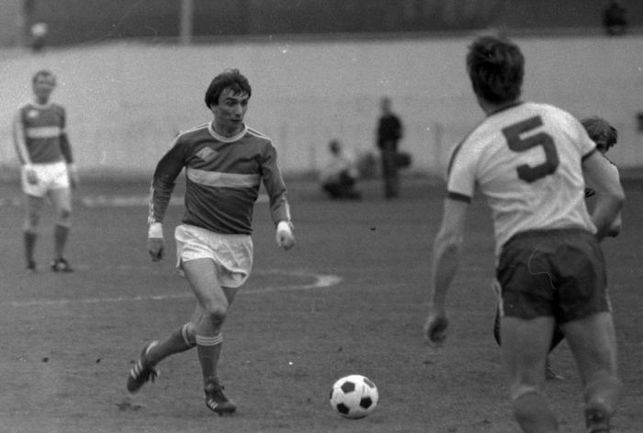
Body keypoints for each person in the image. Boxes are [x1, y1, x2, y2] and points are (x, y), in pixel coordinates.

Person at [423, 35, 625, 433]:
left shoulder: (472, 146)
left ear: (476, 86)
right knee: (602, 376)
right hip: (578, 246)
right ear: (520, 76)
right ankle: (599, 407)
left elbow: (450, 240)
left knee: (526, 389)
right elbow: (614, 193)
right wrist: (588, 237)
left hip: (524, 257)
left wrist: (438, 307)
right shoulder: (562, 120)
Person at [125, 69, 295, 415]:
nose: (238, 110)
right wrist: (155, 228)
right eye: (230, 103)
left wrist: (283, 223)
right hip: (196, 238)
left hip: (238, 245)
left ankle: (151, 356)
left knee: (202, 326)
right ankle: (212, 388)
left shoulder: (261, 147)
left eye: (243, 103)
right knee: (216, 310)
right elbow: (162, 181)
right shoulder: (190, 141)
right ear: (213, 105)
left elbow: (278, 193)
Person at [491, 115, 623, 382]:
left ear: (608, 148)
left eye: (600, 146)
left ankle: (539, 362)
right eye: (588, 143)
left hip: (576, 254)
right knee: (503, 328)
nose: (594, 151)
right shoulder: (555, 166)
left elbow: (616, 225)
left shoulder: (608, 173)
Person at [12, 69, 79, 273]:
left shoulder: (59, 110)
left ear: (53, 86)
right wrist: (27, 166)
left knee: (65, 211)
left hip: (57, 168)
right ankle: (30, 261)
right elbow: (19, 141)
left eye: (48, 83)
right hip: (35, 169)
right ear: (34, 85)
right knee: (33, 218)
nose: (44, 86)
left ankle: (58, 259)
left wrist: (71, 166)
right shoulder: (23, 111)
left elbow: (63, 139)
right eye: (41, 82)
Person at [376, 96, 403, 199]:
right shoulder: (382, 119)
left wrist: (392, 141)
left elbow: (399, 132)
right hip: (383, 148)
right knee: (386, 170)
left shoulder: (394, 119)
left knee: (392, 170)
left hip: (391, 147)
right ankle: (388, 192)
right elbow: (379, 133)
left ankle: (394, 192)